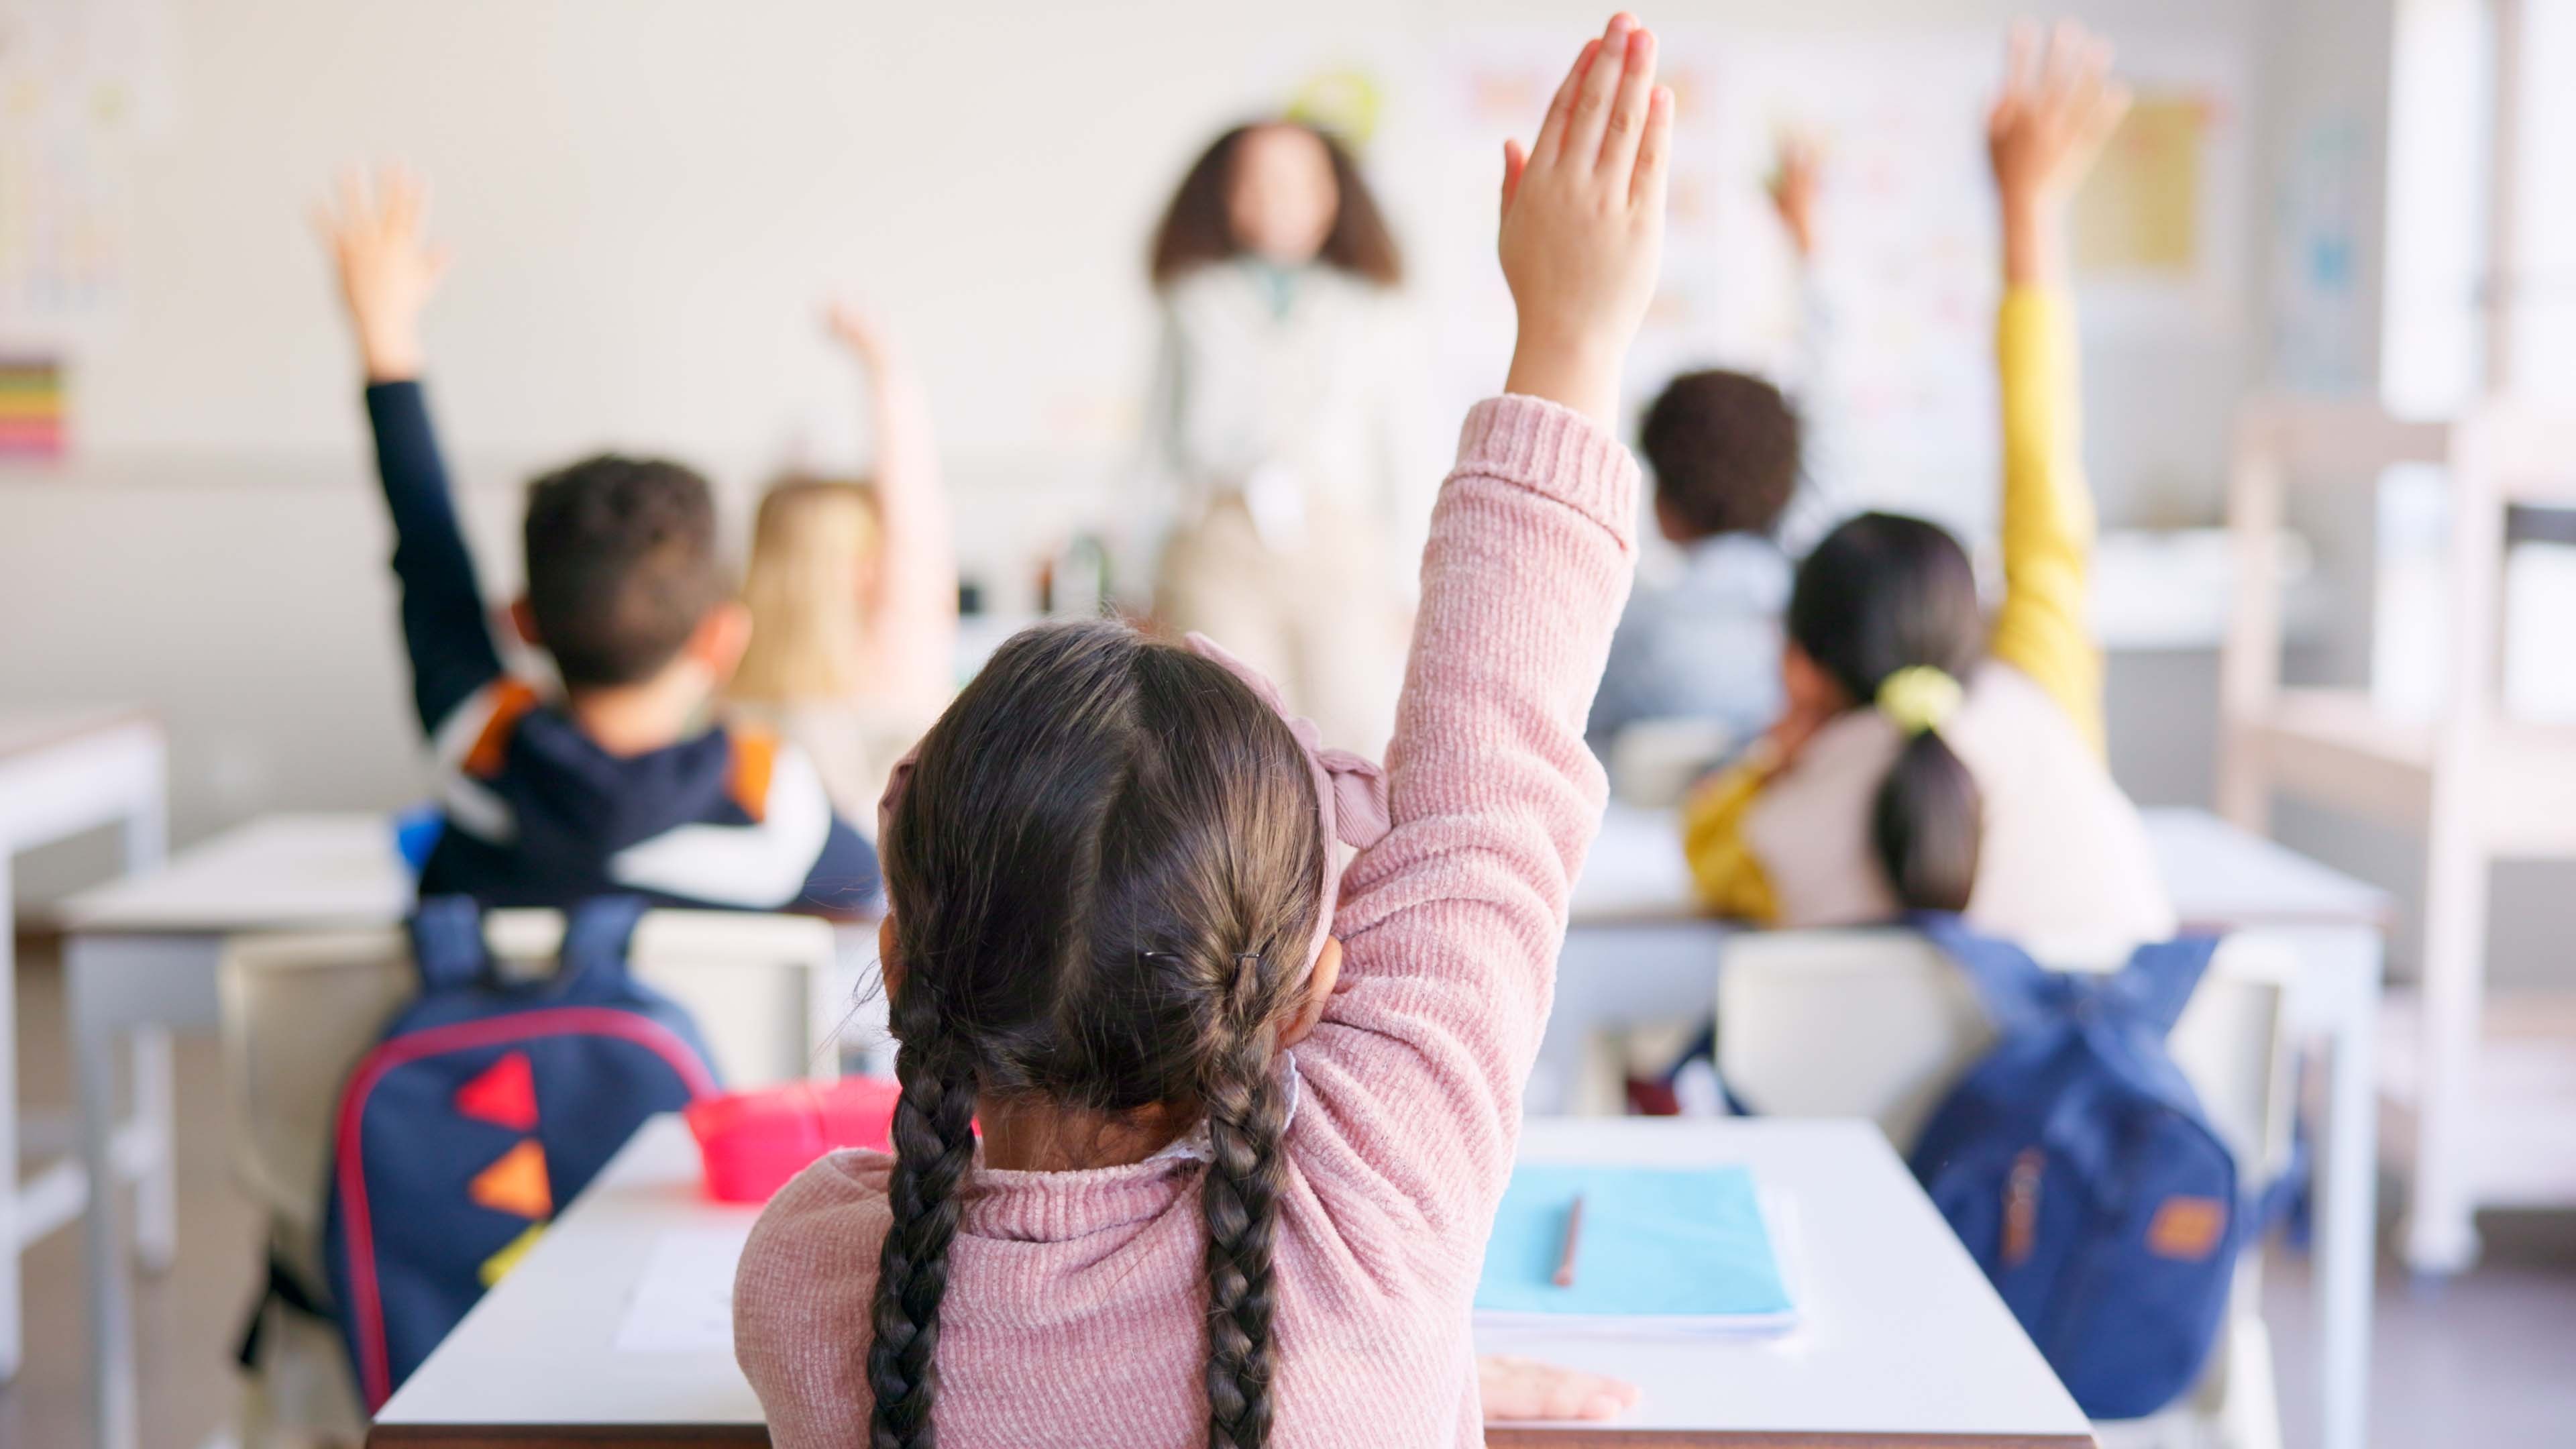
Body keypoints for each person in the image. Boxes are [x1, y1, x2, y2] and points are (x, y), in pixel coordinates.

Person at [733, 15, 1669, 1446]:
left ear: (903, 957)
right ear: (1302, 997)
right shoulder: (1380, 1227)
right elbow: (1489, 795)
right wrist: (1576, 329)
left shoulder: (810, 1286)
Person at [1681, 21, 2172, 944]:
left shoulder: (1771, 837)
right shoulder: (2040, 692)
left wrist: (1774, 759)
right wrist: (2029, 209)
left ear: (1798, 668)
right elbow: (2044, 468)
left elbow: (1698, 839)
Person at [316, 169, 877, 915]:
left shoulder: (475, 748)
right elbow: (870, 897)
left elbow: (427, 545)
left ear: (520, 622)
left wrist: (384, 335)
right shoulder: (779, 809)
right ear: (721, 638)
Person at [1136, 115, 1428, 754]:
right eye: (1255, 183)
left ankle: (1350, 859)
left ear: (1334, 196)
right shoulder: (1191, 301)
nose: (1276, 199)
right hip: (1219, 546)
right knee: (1226, 736)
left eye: (1298, 183)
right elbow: (1153, 451)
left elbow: (1403, 455)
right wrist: (1134, 578)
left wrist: (1410, 585)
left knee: (1353, 728)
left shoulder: (1375, 308)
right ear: (1223, 196)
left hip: (1341, 549)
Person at [1589, 135, 1847, 758]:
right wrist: (1806, 245)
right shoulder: (1823, 640)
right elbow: (1831, 383)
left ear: (1664, 504)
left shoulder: (1626, 641)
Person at [729, 301, 958, 822]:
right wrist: (885, 366)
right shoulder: (894, 666)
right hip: (877, 899)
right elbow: (917, 521)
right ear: (859, 565)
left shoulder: (729, 680)